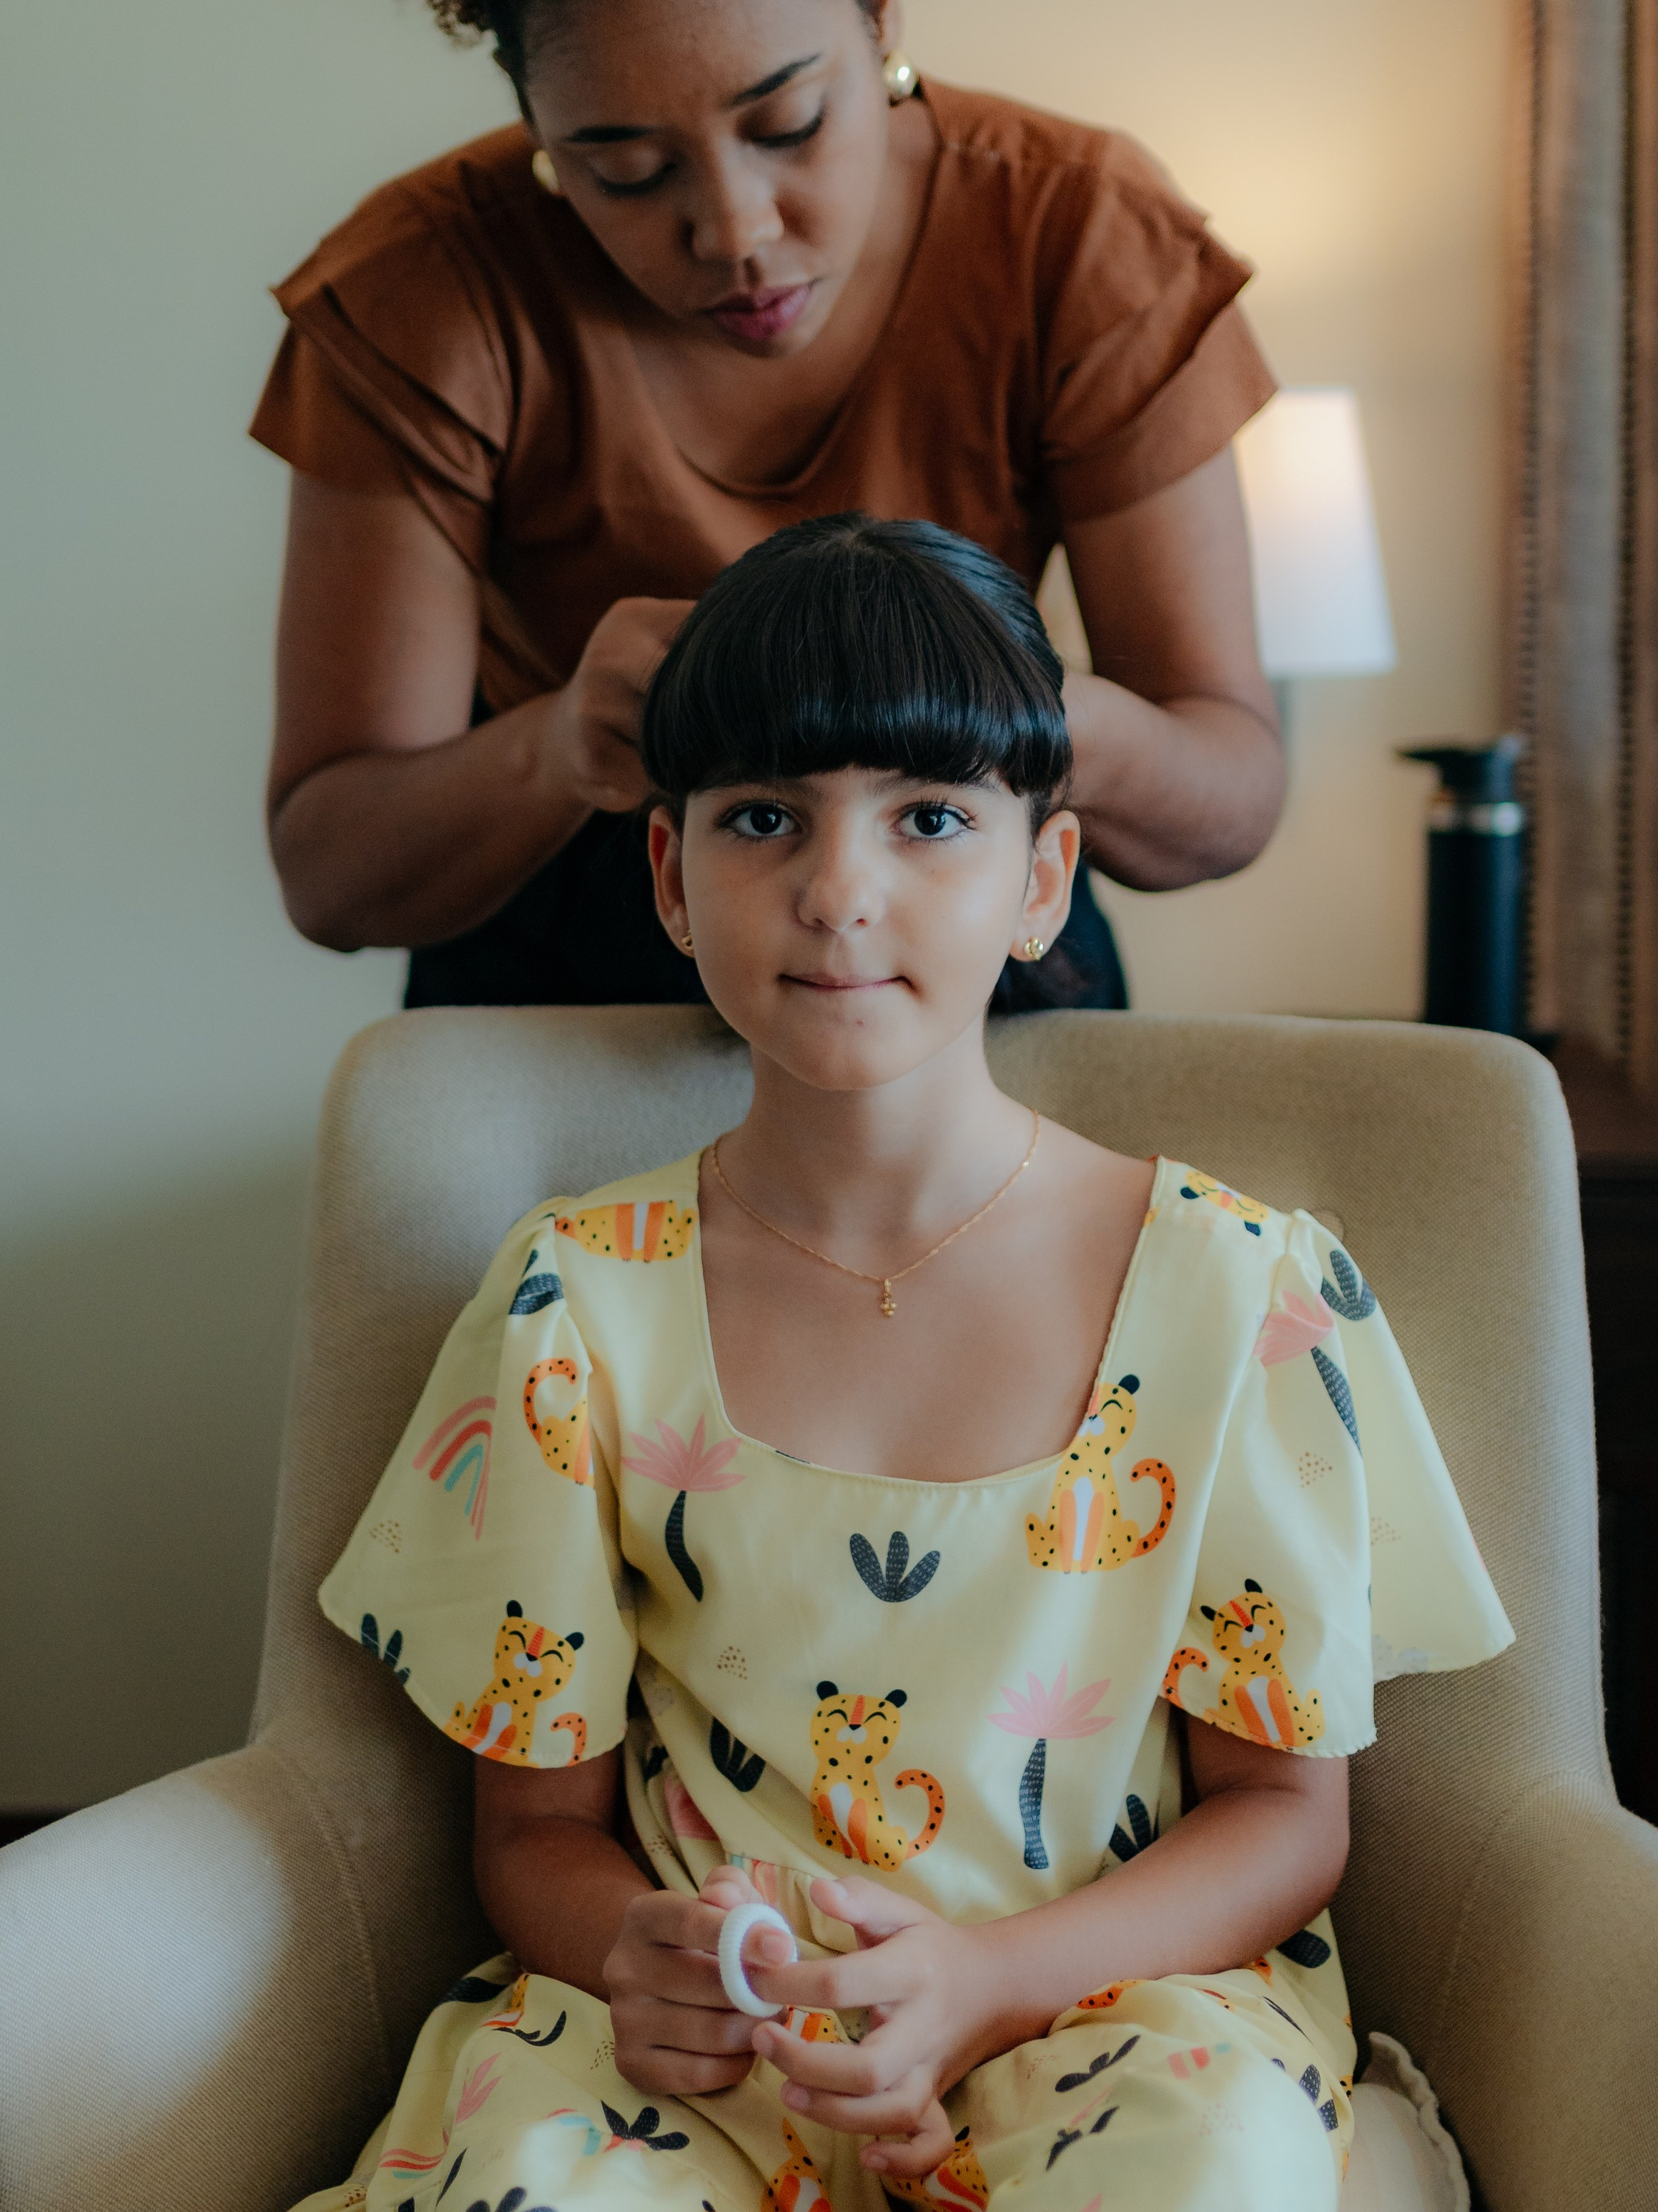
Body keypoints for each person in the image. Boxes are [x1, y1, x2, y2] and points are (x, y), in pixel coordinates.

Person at [293, 515, 1511, 2212]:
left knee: (1213, 2173)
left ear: (1041, 879)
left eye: (928, 817)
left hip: (1103, 2015)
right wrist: (633, 1949)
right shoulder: (575, 1302)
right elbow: (533, 1835)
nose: (838, 887)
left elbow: (1287, 1817)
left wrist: (988, 1983)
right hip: (717, 2058)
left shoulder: (1233, 1292)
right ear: (668, 879)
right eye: (762, 818)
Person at [250, 0, 1286, 1013]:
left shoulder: (1076, 237)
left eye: (789, 123)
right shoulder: (425, 295)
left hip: (970, 1003)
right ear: (524, 111)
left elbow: (1223, 798)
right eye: (615, 166)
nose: (734, 233)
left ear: (875, 4)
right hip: (558, 1007)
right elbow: (332, 872)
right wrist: (556, 745)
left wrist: (1007, 712)